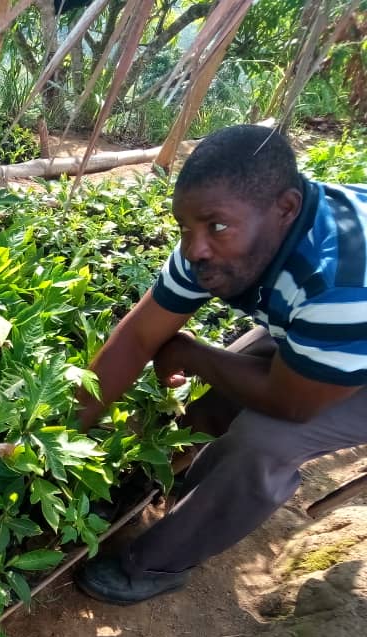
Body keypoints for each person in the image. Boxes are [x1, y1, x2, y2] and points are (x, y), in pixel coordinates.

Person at [73, 124, 367, 605]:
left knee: (264, 441)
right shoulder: (220, 233)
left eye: (215, 227)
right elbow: (140, 334)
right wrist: (54, 439)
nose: (195, 249)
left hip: (352, 343)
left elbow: (290, 403)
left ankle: (155, 563)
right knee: (219, 391)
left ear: (286, 208)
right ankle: (162, 482)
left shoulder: (341, 282)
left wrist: (191, 353)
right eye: (185, 228)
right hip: (334, 338)